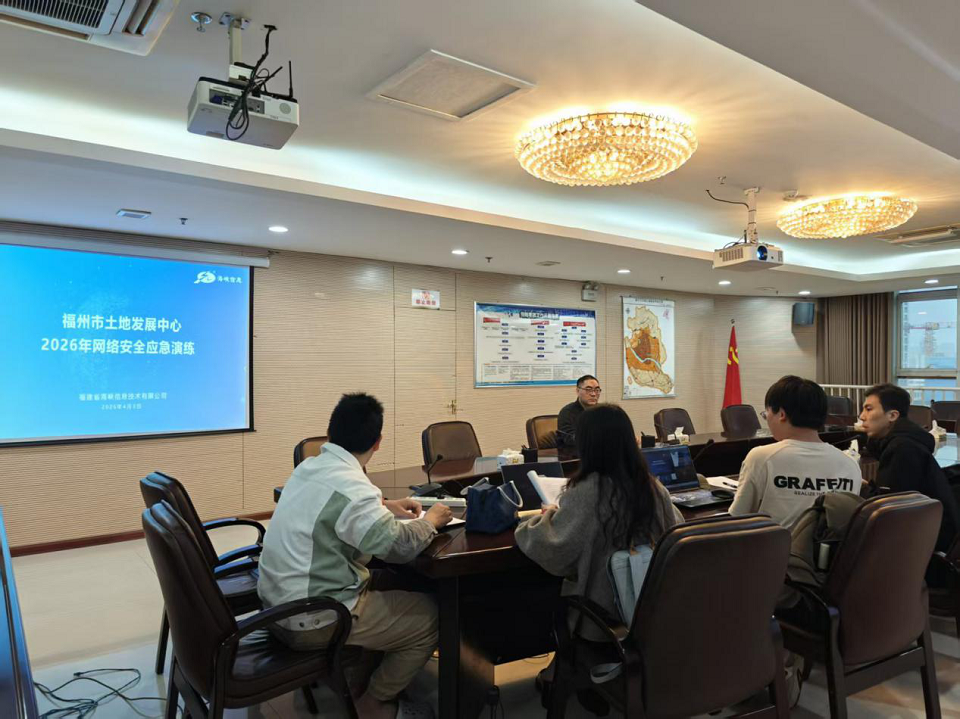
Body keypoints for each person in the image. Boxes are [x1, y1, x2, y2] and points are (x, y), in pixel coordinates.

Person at [258, 393, 453, 719]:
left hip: (275, 605)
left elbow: (334, 506)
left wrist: (384, 506)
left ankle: (359, 682)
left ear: (330, 432)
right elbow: (400, 547)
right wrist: (431, 521)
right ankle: (374, 704)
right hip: (313, 618)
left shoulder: (309, 467)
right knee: (433, 618)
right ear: (378, 442)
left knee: (391, 585)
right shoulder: (354, 487)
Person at [516, 403, 682, 636]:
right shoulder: (653, 486)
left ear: (587, 445)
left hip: (604, 620)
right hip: (655, 614)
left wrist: (538, 521)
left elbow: (555, 550)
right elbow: (676, 530)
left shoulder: (588, 491)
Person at [729, 376, 861, 528]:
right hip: (831, 544)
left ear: (781, 415)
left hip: (776, 543)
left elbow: (737, 518)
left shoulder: (761, 458)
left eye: (766, 414)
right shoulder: (850, 465)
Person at [859, 383, 958, 552]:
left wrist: (862, 488)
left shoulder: (902, 449)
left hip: (924, 543)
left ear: (892, 415)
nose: (862, 416)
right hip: (929, 531)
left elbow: (890, 508)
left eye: (868, 409)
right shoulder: (906, 441)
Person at [556, 374, 602, 454]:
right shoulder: (567, 412)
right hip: (573, 455)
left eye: (597, 390)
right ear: (578, 391)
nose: (593, 394)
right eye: (588, 389)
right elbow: (570, 439)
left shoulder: (603, 411)